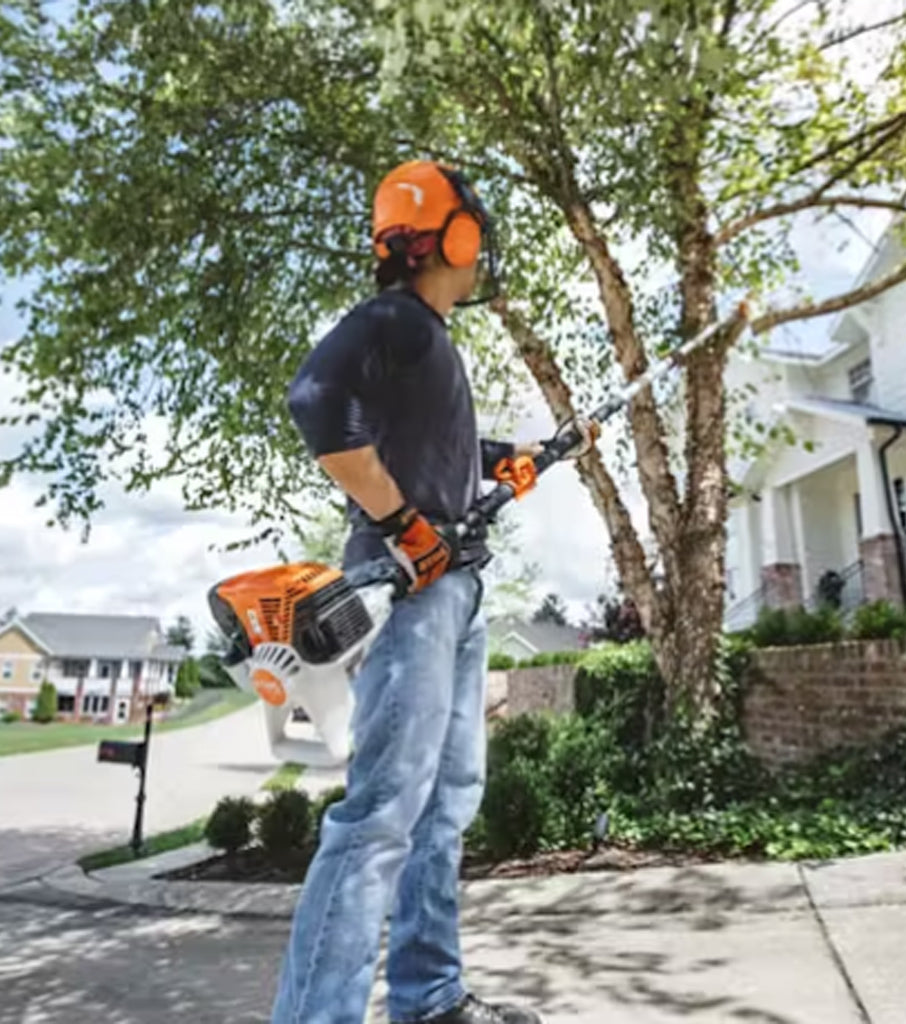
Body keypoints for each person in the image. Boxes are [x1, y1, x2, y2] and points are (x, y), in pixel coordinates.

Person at [273, 159, 597, 1024]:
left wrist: (502, 461)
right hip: (409, 588)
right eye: (474, 228)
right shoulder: (397, 320)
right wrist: (404, 527)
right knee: (382, 813)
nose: (481, 247)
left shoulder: (425, 341)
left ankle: (429, 998)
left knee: (445, 803)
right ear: (449, 236)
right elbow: (315, 401)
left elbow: (423, 445)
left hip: (453, 594)